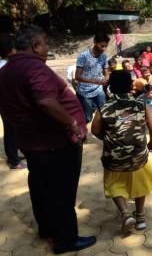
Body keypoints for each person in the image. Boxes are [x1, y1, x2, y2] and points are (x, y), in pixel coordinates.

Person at [0, 25, 96, 254]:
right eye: (45, 43)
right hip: (56, 143)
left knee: (40, 185)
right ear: (35, 46)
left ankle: (47, 228)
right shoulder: (34, 67)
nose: (47, 48)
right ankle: (65, 240)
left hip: (32, 142)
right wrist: (72, 124)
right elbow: (45, 101)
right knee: (62, 191)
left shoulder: (5, 71)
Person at [91, 71, 152, 232]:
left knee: (114, 185)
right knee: (140, 183)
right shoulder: (141, 104)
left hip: (114, 158)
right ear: (130, 86)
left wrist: (108, 139)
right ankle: (140, 218)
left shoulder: (104, 107)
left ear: (111, 87)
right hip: (138, 157)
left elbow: (95, 130)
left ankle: (126, 214)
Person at [0, 33, 25, 170]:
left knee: (13, 131)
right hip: (9, 104)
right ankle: (13, 161)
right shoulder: (7, 67)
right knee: (11, 131)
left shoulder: (4, 64)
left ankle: (14, 155)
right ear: (11, 50)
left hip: (7, 104)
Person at [75, 32, 109, 123]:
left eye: (106, 46)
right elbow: (77, 76)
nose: (104, 49)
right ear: (95, 42)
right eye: (102, 46)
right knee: (88, 117)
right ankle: (81, 133)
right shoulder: (84, 56)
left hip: (98, 89)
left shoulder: (104, 57)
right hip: (84, 91)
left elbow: (106, 72)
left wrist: (106, 77)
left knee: (105, 113)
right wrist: (95, 81)